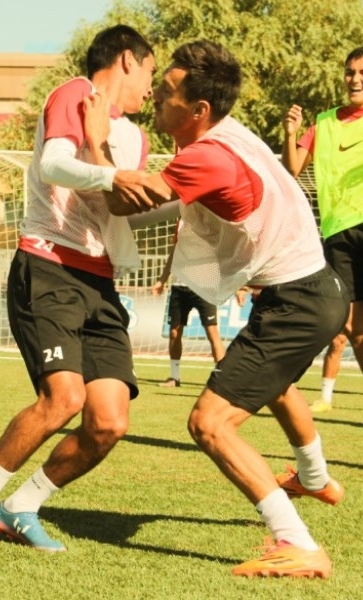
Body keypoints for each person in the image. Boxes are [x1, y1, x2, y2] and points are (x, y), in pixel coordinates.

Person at [105, 40, 349, 578]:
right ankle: (315, 479)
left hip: (298, 300)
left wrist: (94, 141)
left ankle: (298, 544)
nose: (156, 97)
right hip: (315, 290)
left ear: (198, 109)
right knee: (276, 386)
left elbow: (123, 202)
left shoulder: (204, 156)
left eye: (167, 91)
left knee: (209, 423)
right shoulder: (230, 134)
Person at [0, 24, 158, 561]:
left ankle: (22, 506)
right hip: (48, 266)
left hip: (101, 281)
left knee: (109, 422)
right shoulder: (74, 93)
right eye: (150, 72)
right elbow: (53, 165)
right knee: (63, 399)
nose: (152, 87)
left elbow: (122, 205)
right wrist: (110, 172)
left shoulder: (136, 137)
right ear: (127, 60)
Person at [282, 47, 363, 423]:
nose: (355, 79)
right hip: (338, 231)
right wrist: (290, 134)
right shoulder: (322, 123)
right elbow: (291, 170)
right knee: (352, 326)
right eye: (350, 72)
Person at [152, 219, 225, 387]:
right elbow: (174, 251)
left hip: (205, 286)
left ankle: (222, 379)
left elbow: (223, 250)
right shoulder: (181, 221)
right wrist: (162, 280)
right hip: (179, 286)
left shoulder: (211, 220)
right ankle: (174, 377)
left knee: (212, 332)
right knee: (174, 332)